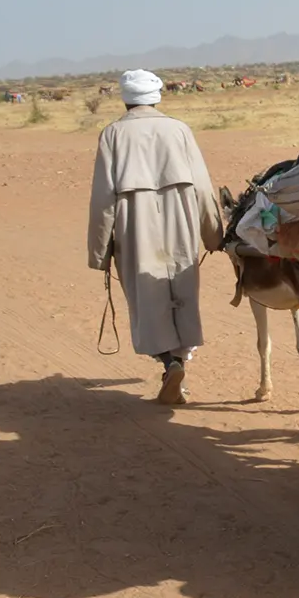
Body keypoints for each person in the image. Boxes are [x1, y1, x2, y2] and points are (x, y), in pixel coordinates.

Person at [87, 69, 224, 405]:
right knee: (181, 290)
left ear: (126, 98)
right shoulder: (179, 130)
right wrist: (213, 234)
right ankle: (179, 362)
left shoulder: (113, 135)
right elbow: (203, 187)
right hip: (181, 218)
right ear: (156, 96)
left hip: (135, 222)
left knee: (147, 298)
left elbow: (104, 199)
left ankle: (169, 363)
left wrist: (100, 252)